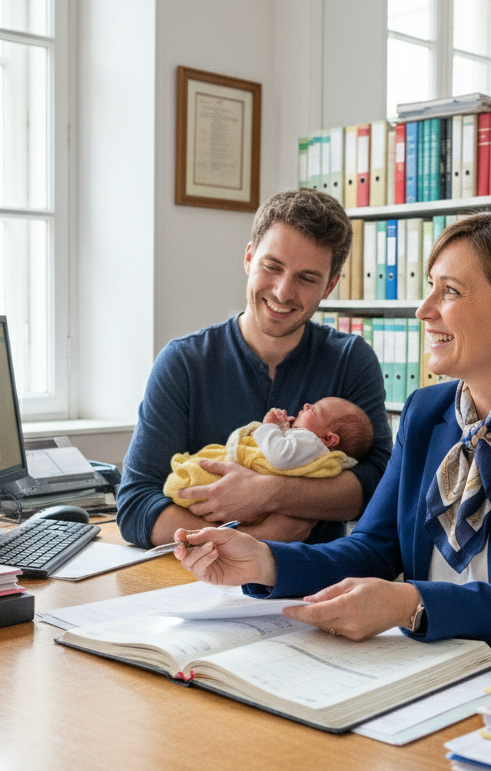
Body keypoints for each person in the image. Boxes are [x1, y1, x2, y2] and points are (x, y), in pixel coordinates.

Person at [174, 210, 491, 646]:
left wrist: (411, 604)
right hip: (430, 660)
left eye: (450, 291)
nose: (424, 310)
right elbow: (373, 548)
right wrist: (266, 561)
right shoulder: (426, 411)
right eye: (430, 287)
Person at [116, 188, 393, 548]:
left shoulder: (350, 360)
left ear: (330, 285)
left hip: (310, 586)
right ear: (249, 258)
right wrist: (254, 538)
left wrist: (269, 493)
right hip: (195, 587)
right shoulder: (183, 363)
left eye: (306, 278)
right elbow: (136, 505)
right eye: (272, 267)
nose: (282, 292)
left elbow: (378, 486)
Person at [163, 399, 374, 508]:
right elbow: (288, 451)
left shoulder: (311, 440)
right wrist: (282, 430)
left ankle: (185, 476)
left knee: (200, 470)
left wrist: (269, 426)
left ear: (329, 439)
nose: (307, 404)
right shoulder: (310, 446)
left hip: (249, 475)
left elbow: (279, 457)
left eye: (315, 410)